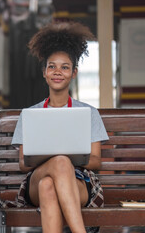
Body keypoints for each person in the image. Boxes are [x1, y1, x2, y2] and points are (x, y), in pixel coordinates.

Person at [11, 22, 109, 233]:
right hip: (36, 179)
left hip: (79, 182)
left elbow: (96, 161)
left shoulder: (89, 113)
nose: (58, 72)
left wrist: (63, 159)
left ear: (73, 73)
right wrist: (56, 160)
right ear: (44, 73)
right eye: (52, 66)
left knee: (50, 186)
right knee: (53, 171)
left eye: (65, 67)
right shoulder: (30, 114)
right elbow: (23, 163)